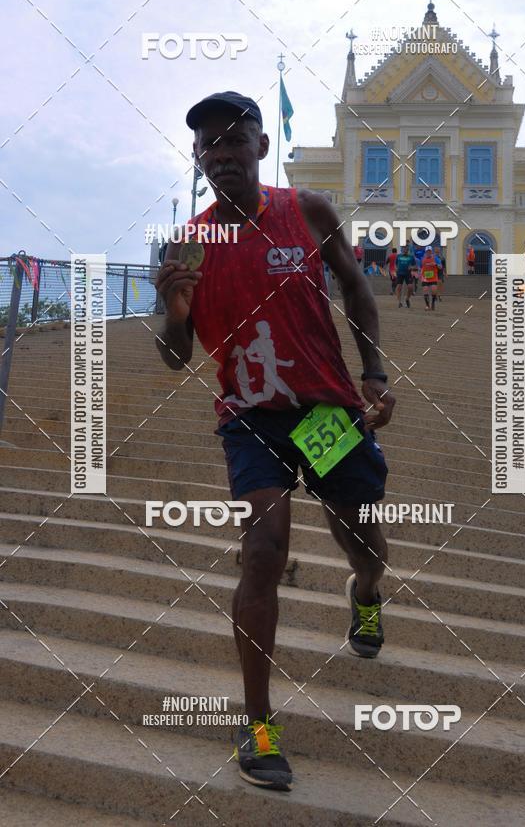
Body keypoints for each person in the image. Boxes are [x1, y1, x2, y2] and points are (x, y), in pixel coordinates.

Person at [154, 91, 395, 793]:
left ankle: (367, 590)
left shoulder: (306, 212)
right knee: (263, 548)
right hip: (251, 416)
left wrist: (374, 371)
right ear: (197, 160)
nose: (222, 153)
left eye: (236, 139)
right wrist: (174, 315)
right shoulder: (188, 246)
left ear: (261, 147)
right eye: (208, 145)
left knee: (362, 540)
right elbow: (174, 358)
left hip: (323, 408)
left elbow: (356, 287)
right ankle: (257, 721)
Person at [420, 247, 439, 311]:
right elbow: (420, 267)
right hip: (425, 277)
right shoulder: (422, 259)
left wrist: (435, 264)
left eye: (429, 251)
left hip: (433, 277)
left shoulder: (435, 258)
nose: (428, 253)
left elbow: (441, 267)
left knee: (434, 290)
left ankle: (433, 303)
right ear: (425, 252)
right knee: (425, 290)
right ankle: (427, 305)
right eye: (427, 251)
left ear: (431, 252)